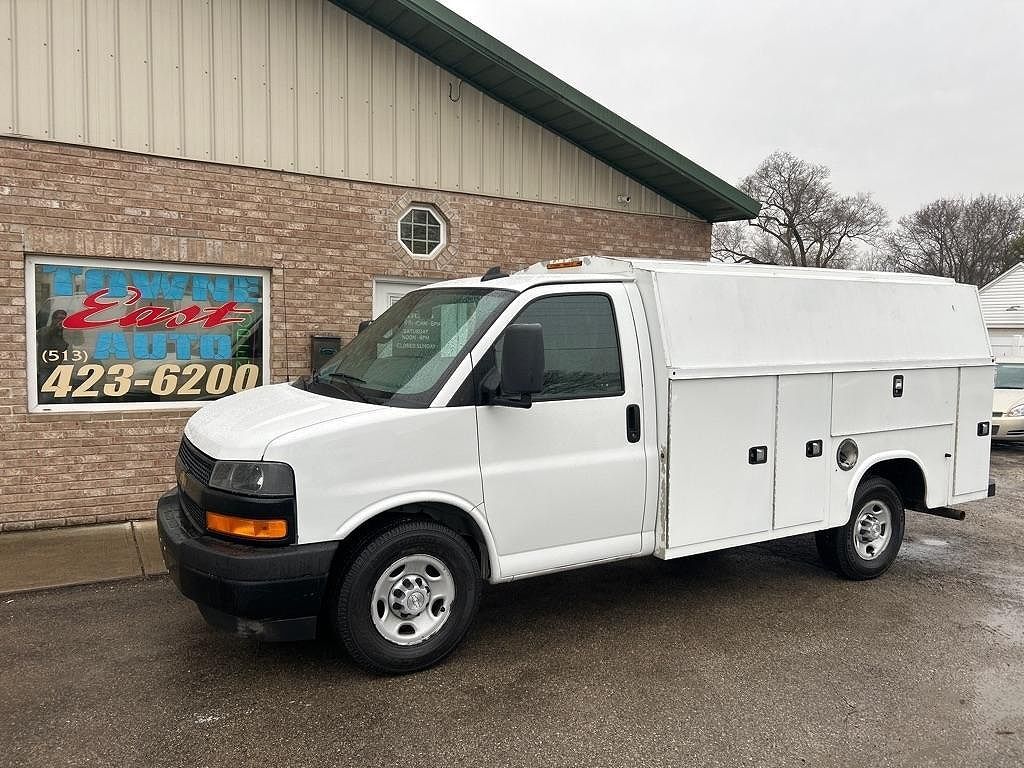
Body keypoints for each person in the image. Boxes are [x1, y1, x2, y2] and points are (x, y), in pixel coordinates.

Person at [37, 310, 69, 402]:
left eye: (63, 319)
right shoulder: (44, 330)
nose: (61, 321)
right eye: (59, 318)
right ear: (53, 319)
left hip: (63, 367)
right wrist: (54, 329)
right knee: (46, 396)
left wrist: (69, 329)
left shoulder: (66, 332)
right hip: (47, 368)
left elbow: (79, 342)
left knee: (64, 395)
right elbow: (42, 339)